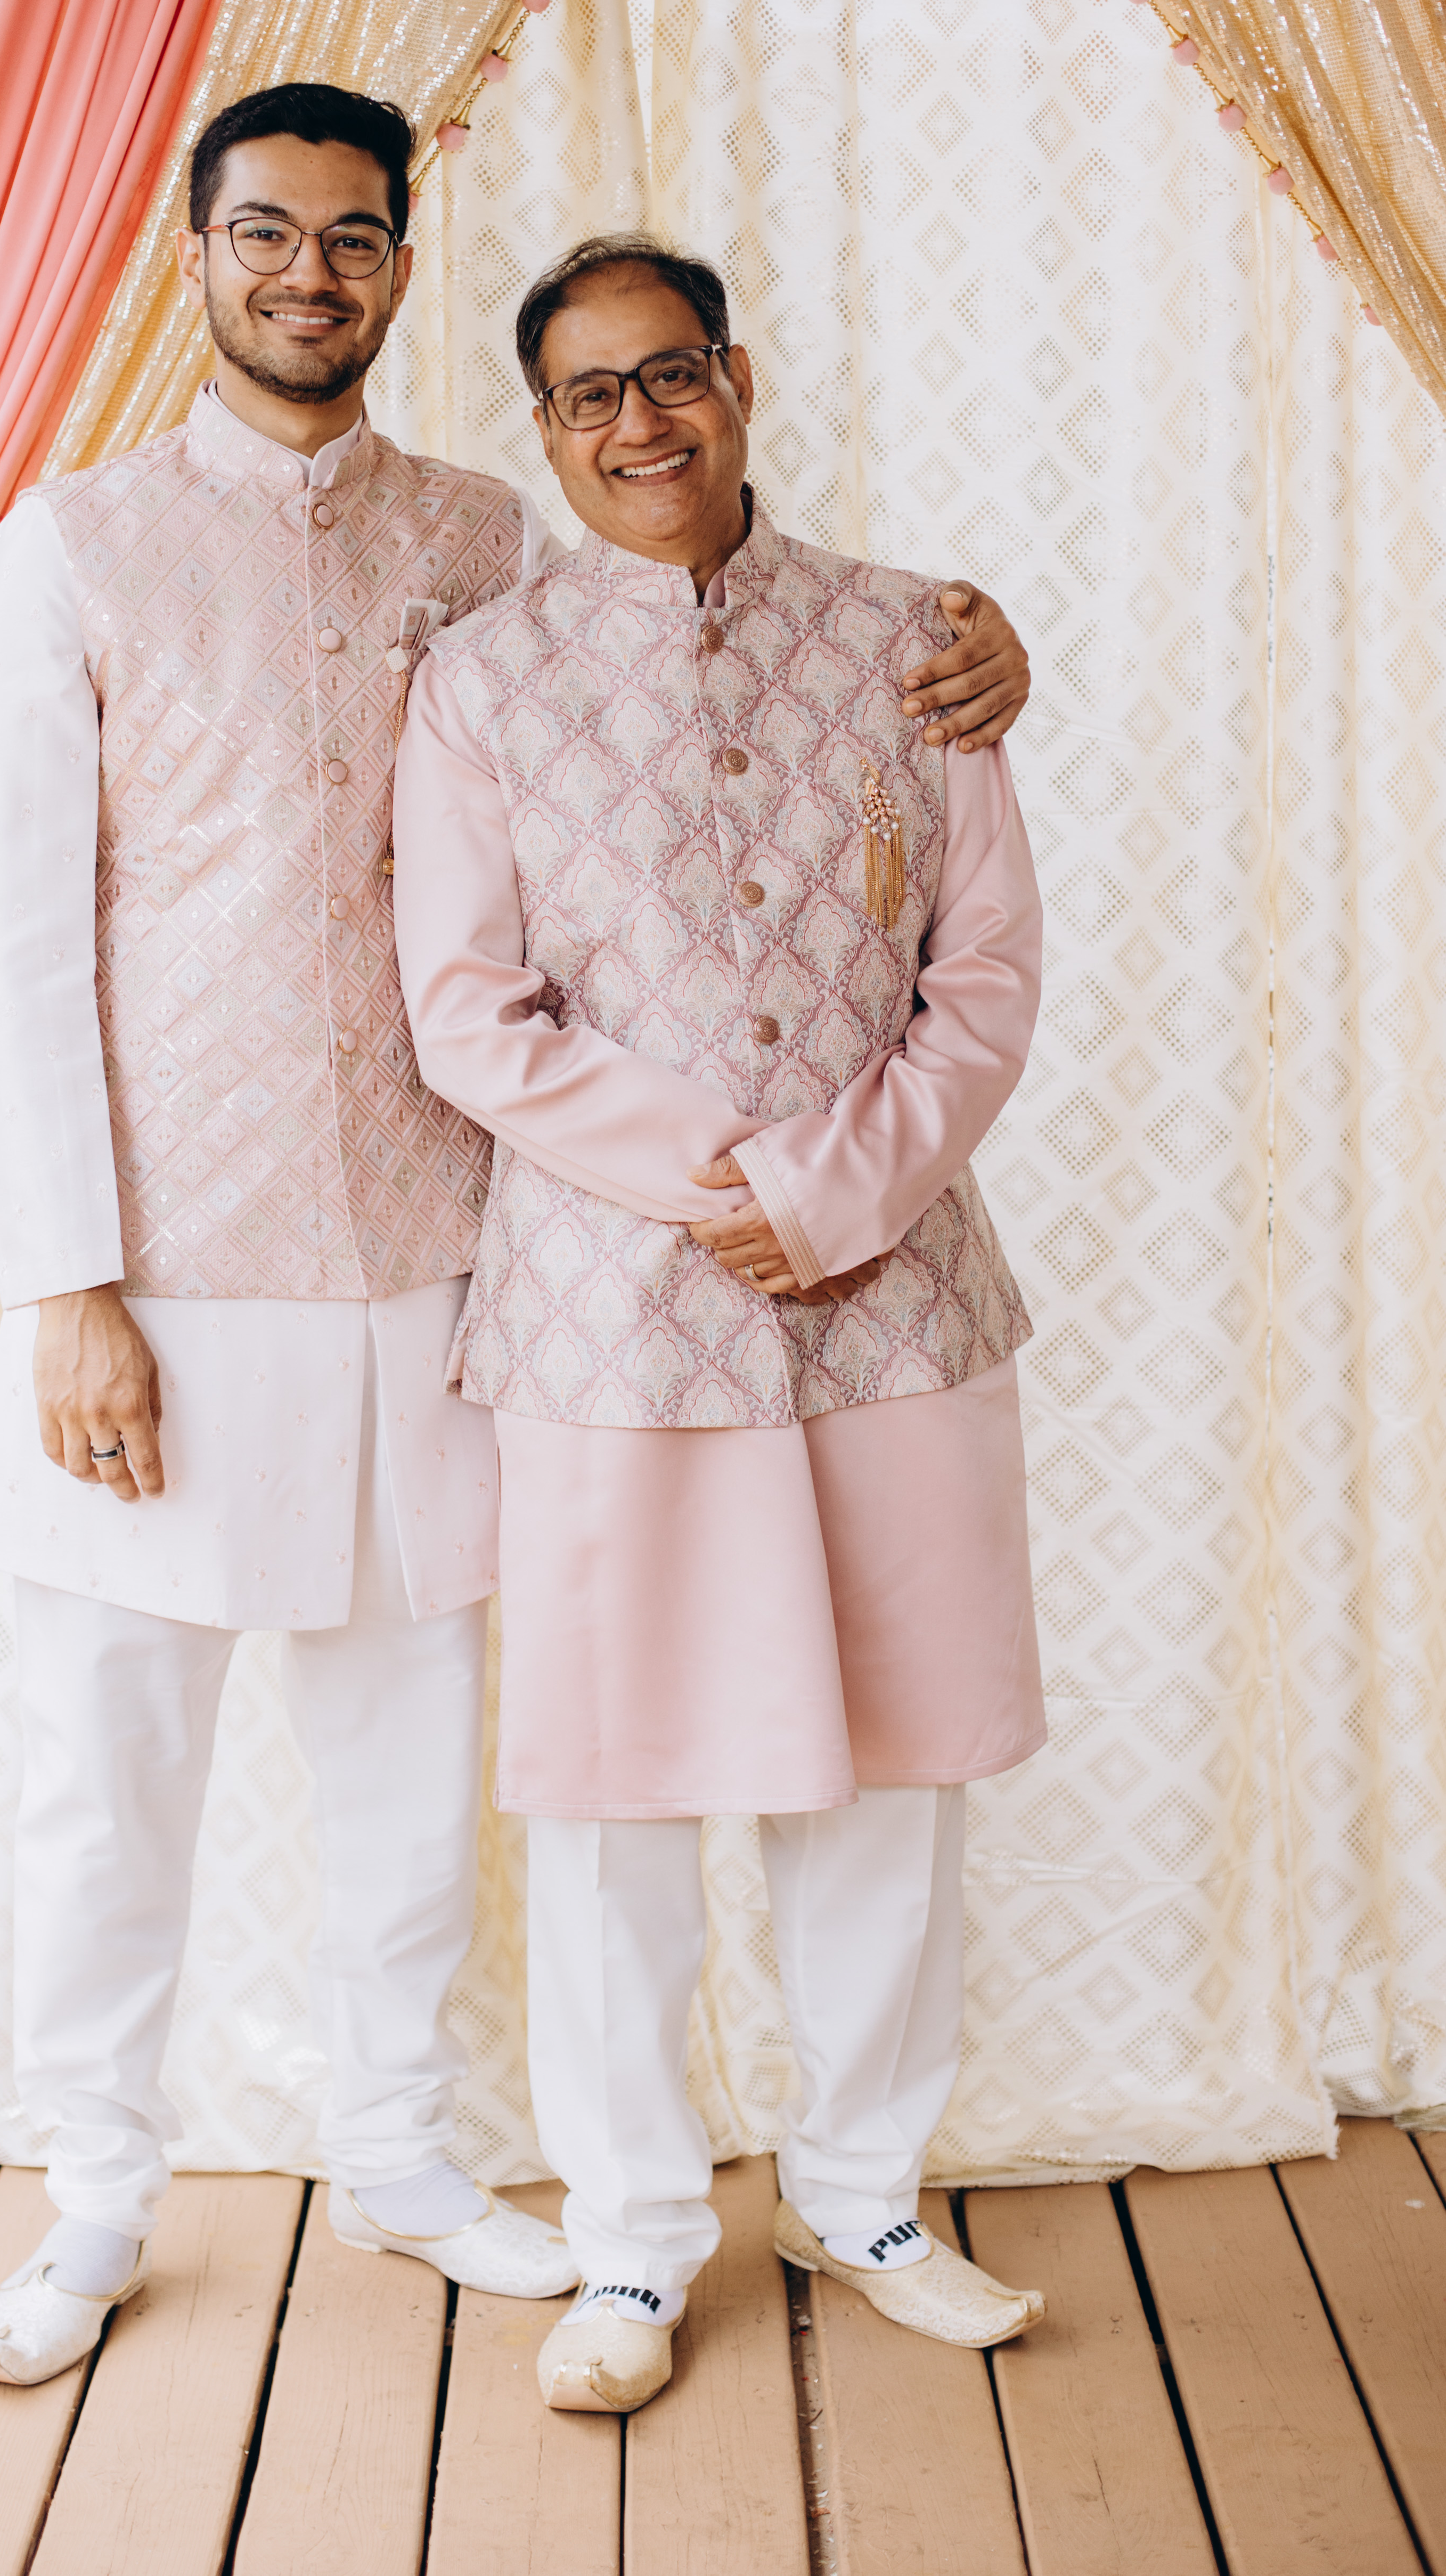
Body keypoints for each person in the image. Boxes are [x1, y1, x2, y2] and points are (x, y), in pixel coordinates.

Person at [0, 83, 1034, 2389]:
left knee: (415, 1765)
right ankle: (90, 2193)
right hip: (171, 1259)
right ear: (194, 250)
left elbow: (725, 675)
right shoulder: (75, 544)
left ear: (402, 268)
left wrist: (986, 656)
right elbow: (13, 941)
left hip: (458, 1268)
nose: (307, 272)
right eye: (266, 232)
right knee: (106, 1755)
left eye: (352, 236)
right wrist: (63, 1281)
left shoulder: (478, 542)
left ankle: (406, 2155)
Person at [393, 231, 1048, 2418]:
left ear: (739, 378)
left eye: (668, 372)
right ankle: (632, 2233)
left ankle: (865, 2192)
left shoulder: (916, 639)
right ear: (545, 427)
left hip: (896, 1303)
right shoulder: (481, 684)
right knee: (616, 1789)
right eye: (588, 394)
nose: (638, 422)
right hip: (612, 1322)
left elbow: (986, 973)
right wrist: (726, 1179)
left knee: (890, 1774)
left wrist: (835, 1189)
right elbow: (468, 1011)